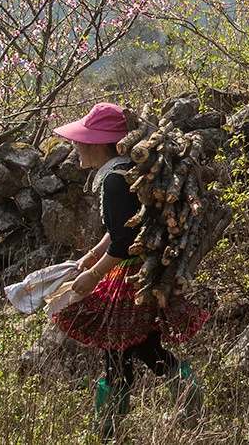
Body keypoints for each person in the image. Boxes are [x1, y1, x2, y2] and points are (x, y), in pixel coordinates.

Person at [49, 102, 207, 437]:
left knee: (134, 350)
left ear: (98, 143)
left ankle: (112, 428)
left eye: (81, 141)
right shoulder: (121, 173)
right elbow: (122, 230)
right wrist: (89, 258)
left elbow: (123, 243)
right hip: (136, 271)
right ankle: (118, 425)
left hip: (130, 276)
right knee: (124, 351)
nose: (76, 147)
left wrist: (92, 276)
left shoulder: (115, 182)